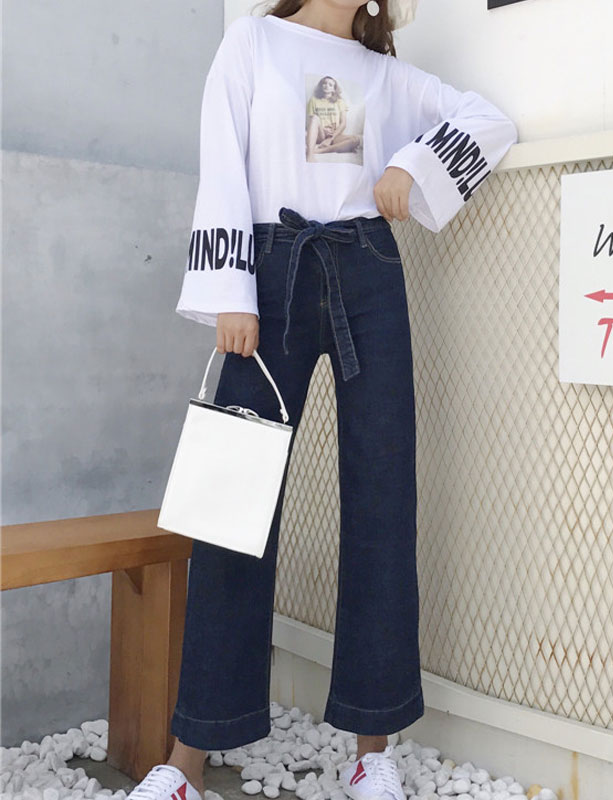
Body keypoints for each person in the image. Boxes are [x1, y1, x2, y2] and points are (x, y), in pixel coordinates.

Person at [127, 2, 517, 800]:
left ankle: (374, 749)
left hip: (367, 266)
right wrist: (232, 290)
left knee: (382, 495)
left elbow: (489, 120)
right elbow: (222, 160)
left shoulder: (386, 74)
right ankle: (187, 760)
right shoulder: (253, 41)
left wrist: (414, 167)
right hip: (270, 270)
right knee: (233, 505)